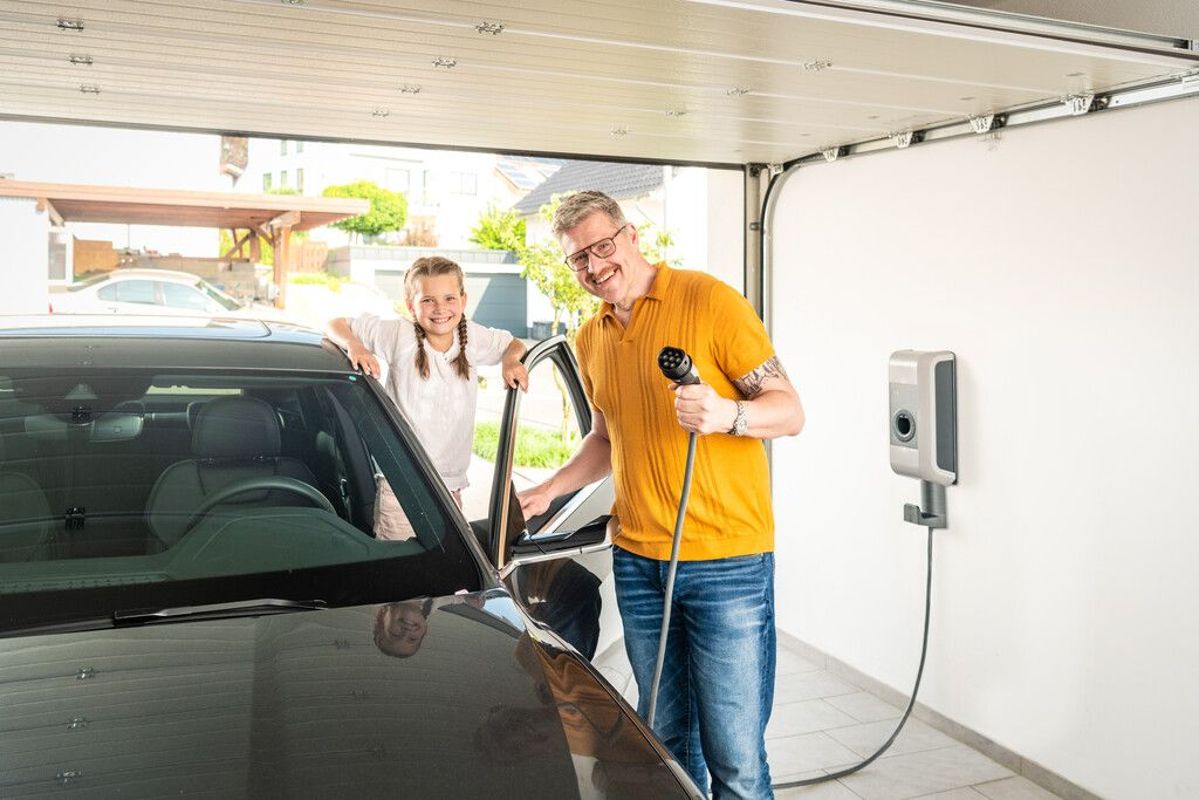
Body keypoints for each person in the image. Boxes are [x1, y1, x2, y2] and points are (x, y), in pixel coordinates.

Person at [517, 191, 804, 799]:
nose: (595, 267)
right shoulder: (590, 338)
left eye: (602, 246)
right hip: (641, 563)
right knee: (667, 742)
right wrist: (547, 490)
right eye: (578, 259)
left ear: (630, 235)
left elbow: (789, 411)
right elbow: (604, 439)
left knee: (735, 757)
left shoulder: (709, 301)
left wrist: (728, 414)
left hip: (727, 562)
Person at [327, 256, 528, 538]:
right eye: (428, 300)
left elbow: (514, 344)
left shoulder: (471, 337)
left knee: (448, 570)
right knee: (400, 568)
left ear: (463, 299)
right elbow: (336, 323)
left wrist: (510, 361)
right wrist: (355, 346)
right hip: (401, 485)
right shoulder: (399, 333)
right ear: (411, 304)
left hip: (451, 486)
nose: (440, 309)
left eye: (449, 298)